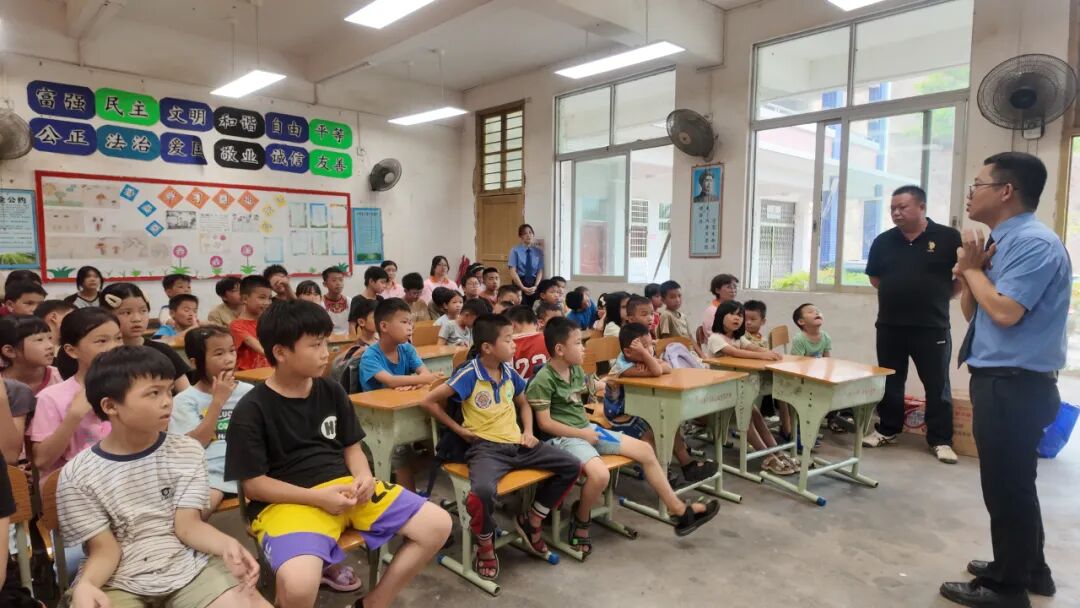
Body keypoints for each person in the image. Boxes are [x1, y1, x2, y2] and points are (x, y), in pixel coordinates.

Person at [225, 300, 451, 607]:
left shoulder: (331, 391)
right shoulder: (251, 409)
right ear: (280, 352)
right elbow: (254, 486)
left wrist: (364, 476)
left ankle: (373, 603)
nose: (325, 353)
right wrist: (318, 498)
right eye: (315, 345)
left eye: (326, 343)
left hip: (346, 490)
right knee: (300, 585)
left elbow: (352, 448)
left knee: (437, 524)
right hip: (288, 502)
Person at [940, 152, 1070, 608]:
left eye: (977, 185)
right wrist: (967, 271)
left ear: (1006, 191)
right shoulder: (1001, 242)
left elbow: (1005, 312)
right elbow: (976, 313)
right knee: (1014, 484)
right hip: (1002, 380)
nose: (970, 195)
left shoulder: (1034, 243)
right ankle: (1030, 570)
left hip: (1015, 386)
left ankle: (1007, 588)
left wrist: (974, 270)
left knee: (1006, 488)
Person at [58, 345, 268, 608]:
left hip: (188, 567)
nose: (168, 401)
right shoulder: (78, 474)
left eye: (169, 390)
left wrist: (226, 543)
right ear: (110, 406)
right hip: (117, 579)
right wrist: (87, 584)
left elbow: (188, 526)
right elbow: (104, 549)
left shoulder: (187, 451)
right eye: (153, 393)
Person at [530, 317, 719, 552]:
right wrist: (582, 434)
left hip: (588, 431)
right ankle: (581, 518)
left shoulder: (575, 371)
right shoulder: (543, 379)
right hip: (565, 439)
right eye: (578, 343)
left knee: (645, 450)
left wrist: (614, 379)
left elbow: (596, 385)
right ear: (560, 350)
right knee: (600, 475)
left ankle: (679, 511)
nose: (583, 348)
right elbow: (545, 424)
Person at [420, 314, 580, 581]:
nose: (514, 345)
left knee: (571, 465)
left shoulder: (508, 371)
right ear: (487, 347)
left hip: (518, 444)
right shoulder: (470, 373)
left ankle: (532, 520)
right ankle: (485, 542)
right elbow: (428, 401)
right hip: (486, 449)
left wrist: (528, 432)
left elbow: (524, 402)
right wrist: (459, 430)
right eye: (508, 340)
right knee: (481, 492)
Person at [863, 185, 963, 463]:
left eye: (902, 207)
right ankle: (887, 429)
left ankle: (941, 440)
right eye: (892, 208)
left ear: (921, 207)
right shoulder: (883, 241)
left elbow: (961, 278)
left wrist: (938, 296)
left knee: (937, 384)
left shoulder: (947, 237)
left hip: (932, 327)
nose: (896, 213)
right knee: (891, 381)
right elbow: (875, 278)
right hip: (890, 326)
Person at [603, 323, 718, 483]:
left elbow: (667, 367)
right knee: (647, 434)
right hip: (621, 415)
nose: (650, 350)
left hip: (640, 409)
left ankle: (687, 465)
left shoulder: (640, 359)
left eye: (650, 345)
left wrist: (648, 358)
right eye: (644, 347)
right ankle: (661, 472)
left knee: (669, 423)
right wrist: (648, 358)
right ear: (628, 352)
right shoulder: (623, 368)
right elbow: (657, 371)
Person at [29, 308, 121, 481]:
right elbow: (42, 461)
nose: (114, 347)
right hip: (73, 486)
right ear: (72, 350)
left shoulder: (132, 388)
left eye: (118, 338)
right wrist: (74, 415)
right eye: (101, 341)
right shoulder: (51, 397)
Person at [171, 326, 253, 518]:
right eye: (219, 353)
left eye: (232, 351)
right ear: (195, 362)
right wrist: (218, 402)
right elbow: (194, 445)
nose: (229, 359)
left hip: (250, 465)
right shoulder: (185, 400)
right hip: (210, 472)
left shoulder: (249, 391)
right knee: (197, 512)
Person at [706, 301, 794, 476]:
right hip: (721, 391)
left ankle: (776, 452)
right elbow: (736, 353)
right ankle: (766, 456)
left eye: (740, 315)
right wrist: (762, 356)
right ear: (720, 316)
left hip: (737, 388)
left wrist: (767, 353)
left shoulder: (738, 338)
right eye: (732, 314)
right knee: (746, 418)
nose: (737, 318)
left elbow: (750, 346)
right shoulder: (715, 338)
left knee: (757, 416)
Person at [99, 283, 192, 392]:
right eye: (127, 312)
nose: (137, 319)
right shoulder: (103, 354)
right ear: (106, 315)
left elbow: (187, 393)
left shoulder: (162, 351)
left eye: (143, 311)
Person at [359, 298, 444, 392]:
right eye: (404, 322)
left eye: (410, 323)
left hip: (402, 397)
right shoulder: (369, 356)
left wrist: (418, 382)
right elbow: (391, 381)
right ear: (384, 326)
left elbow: (424, 372)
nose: (410, 328)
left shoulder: (407, 349)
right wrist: (426, 379)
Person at [0, 314, 61, 396]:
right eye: (39, 340)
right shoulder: (2, 384)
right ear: (10, 351)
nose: (50, 346)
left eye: (50, 338)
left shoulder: (61, 377)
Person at [333, 298, 379, 394]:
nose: (380, 320)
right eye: (375, 317)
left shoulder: (382, 342)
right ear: (362, 322)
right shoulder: (356, 349)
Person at [231, 275, 273, 371]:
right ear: (245, 299)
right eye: (262, 297)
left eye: (269, 298)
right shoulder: (236, 325)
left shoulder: (268, 321)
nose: (267, 302)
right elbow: (255, 344)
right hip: (248, 375)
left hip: (270, 371)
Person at [506, 305, 548, 380]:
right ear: (537, 323)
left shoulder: (508, 344)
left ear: (512, 325)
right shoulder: (549, 339)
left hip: (519, 386)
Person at [508, 224, 543, 307]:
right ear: (520, 236)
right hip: (520, 282)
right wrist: (522, 287)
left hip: (534, 283)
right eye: (525, 233)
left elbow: (540, 271)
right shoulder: (515, 250)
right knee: (521, 308)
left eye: (530, 232)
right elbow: (513, 271)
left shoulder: (538, 252)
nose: (528, 235)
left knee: (534, 307)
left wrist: (536, 286)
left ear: (533, 234)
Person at [700, 274, 738, 341]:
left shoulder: (735, 309)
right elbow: (714, 335)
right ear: (717, 290)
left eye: (735, 287)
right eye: (728, 287)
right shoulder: (712, 311)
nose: (733, 290)